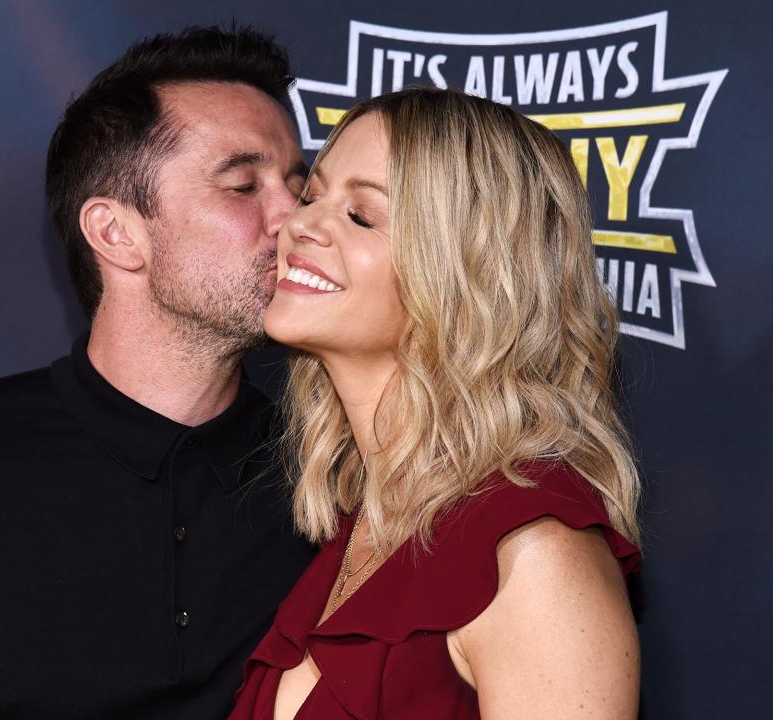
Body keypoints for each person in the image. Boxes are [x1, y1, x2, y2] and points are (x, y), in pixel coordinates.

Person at [0, 25, 314, 719]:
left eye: (297, 184)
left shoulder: (334, 480)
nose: (295, 220)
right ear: (116, 233)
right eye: (242, 185)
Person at [230, 86, 642, 719]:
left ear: (465, 273)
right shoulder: (360, 525)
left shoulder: (534, 558)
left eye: (362, 215)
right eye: (313, 196)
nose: (298, 223)